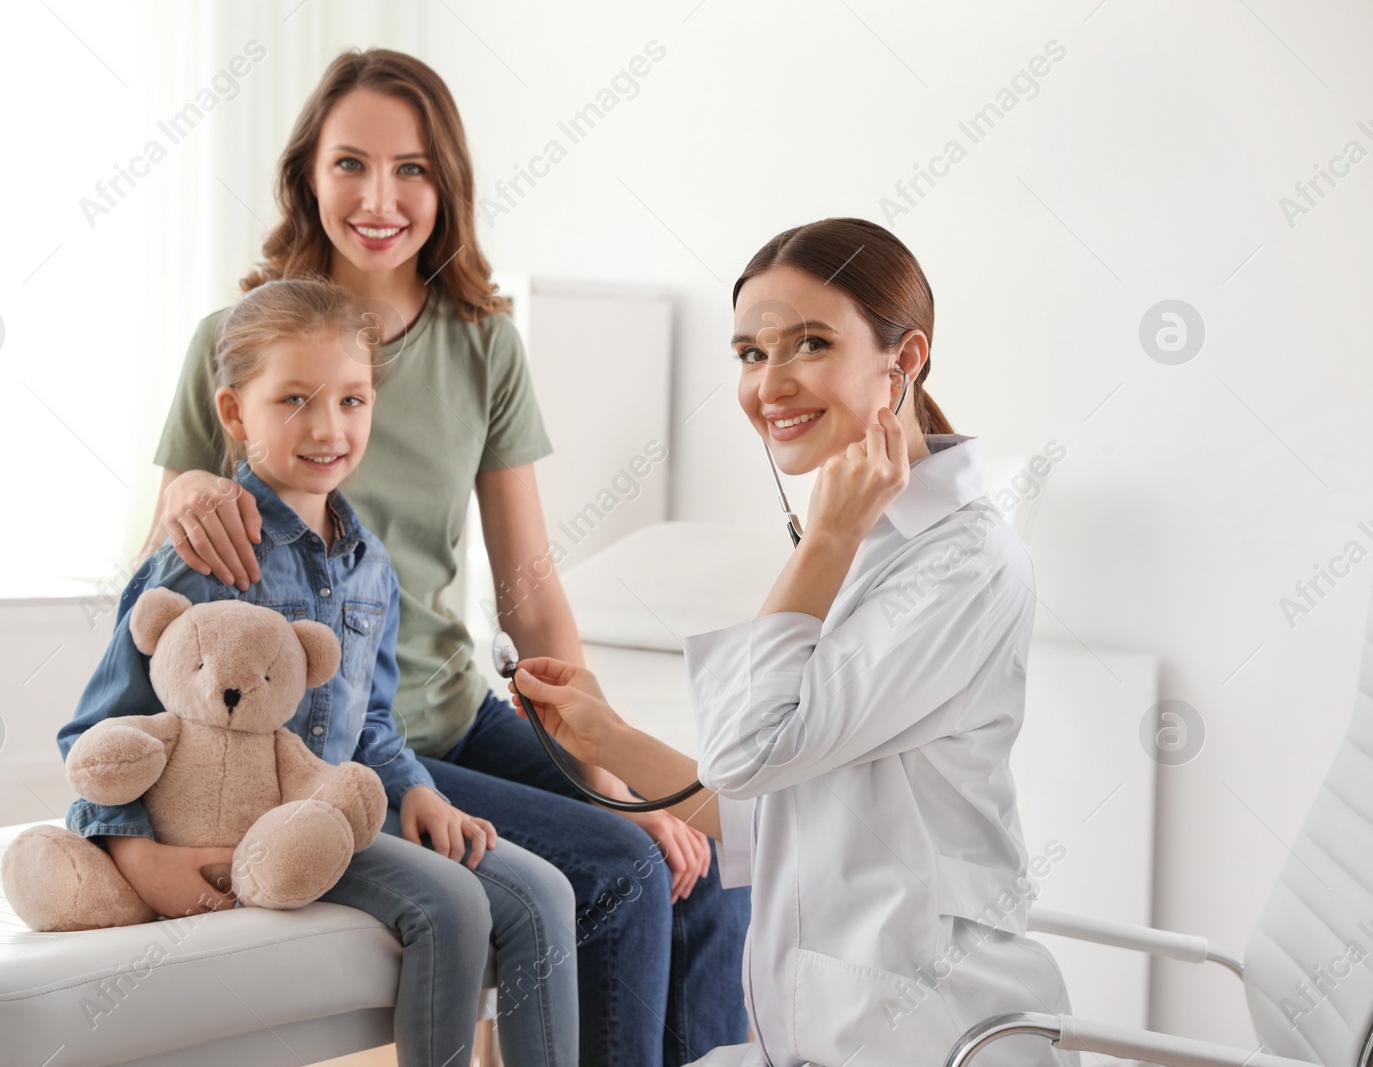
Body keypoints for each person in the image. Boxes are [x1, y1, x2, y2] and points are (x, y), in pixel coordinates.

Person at [147, 49, 751, 1066]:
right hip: (336, 738)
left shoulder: (483, 344)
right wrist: (194, 493)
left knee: (700, 858)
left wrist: (601, 770)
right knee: (617, 868)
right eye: (350, 164)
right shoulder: (234, 339)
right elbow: (167, 538)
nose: (380, 198)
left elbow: (529, 589)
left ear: (447, 185)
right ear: (307, 175)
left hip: (458, 711)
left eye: (412, 169)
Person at [504, 218, 1079, 1066]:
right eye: (748, 353)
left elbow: (749, 754)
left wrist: (825, 540)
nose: (769, 383)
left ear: (904, 359)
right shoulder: (876, 542)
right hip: (827, 1032)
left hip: (928, 1037)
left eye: (809, 342)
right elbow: (777, 811)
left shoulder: (964, 565)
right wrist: (609, 738)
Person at [58, 277, 579, 1066]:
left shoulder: (371, 567)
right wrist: (133, 852)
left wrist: (420, 791)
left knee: (546, 894)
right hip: (243, 828)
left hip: (332, 807)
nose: (327, 426)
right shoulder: (201, 556)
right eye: (294, 399)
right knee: (450, 905)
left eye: (351, 400)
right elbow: (100, 730)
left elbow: (369, 723)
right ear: (235, 414)